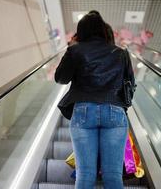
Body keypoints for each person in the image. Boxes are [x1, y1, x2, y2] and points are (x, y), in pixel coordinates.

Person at [55, 12, 135, 189]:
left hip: (83, 111)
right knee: (113, 177)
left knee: (85, 175)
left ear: (81, 32)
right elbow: (131, 85)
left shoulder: (76, 50)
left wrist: (72, 48)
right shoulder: (121, 53)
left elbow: (61, 78)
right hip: (114, 111)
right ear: (105, 32)